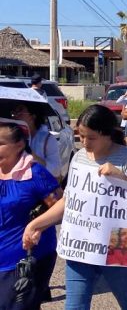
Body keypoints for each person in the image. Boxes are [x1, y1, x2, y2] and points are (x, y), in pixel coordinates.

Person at [23, 104, 127, 310]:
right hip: (81, 241)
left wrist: (120, 176)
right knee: (74, 306)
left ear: (107, 134)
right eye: (81, 136)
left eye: (90, 138)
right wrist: (37, 224)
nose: (84, 142)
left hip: (121, 239)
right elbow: (69, 200)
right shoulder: (80, 157)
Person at [0, 119, 62, 310]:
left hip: (25, 259)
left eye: (0, 143)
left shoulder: (35, 174)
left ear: (19, 145)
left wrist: (36, 226)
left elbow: (61, 206)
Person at [12, 103, 62, 180]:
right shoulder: (11, 137)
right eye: (14, 112)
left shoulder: (47, 139)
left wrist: (32, 155)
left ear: (33, 116)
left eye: (20, 111)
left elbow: (56, 171)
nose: (15, 115)